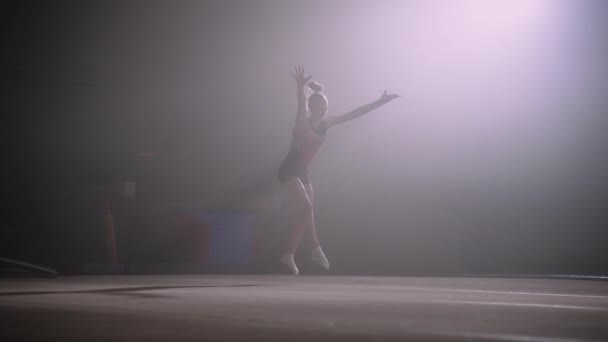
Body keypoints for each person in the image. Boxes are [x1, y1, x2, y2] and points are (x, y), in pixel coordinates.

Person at [278, 65, 399, 275]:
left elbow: (354, 114)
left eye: (326, 107)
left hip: (303, 170)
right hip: (289, 169)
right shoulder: (302, 122)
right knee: (307, 207)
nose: (324, 110)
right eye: (321, 107)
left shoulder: (326, 123)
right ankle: (316, 248)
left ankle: (288, 254)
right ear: (312, 107)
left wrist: (379, 102)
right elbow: (300, 104)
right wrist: (301, 88)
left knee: (305, 214)